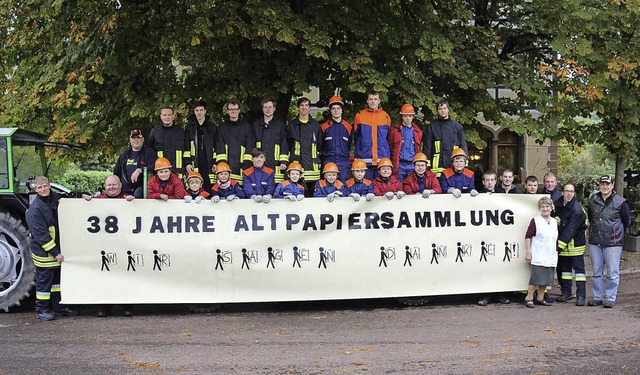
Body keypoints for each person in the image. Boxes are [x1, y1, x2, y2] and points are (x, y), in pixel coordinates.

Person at [25, 176, 78, 320]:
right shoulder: (35, 210)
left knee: (56, 283)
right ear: (35, 189)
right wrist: (55, 253)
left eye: (44, 186)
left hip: (57, 249)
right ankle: (41, 310)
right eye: (39, 188)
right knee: (44, 283)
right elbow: (41, 236)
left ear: (49, 186)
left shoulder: (55, 198)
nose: (42, 189)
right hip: (45, 253)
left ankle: (59, 306)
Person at [84, 175, 135, 317]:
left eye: (114, 184)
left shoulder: (127, 199)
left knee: (125, 277)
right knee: (104, 278)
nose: (111, 187)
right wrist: (86, 203)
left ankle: (127, 306)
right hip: (104, 248)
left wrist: (134, 203)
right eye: (109, 185)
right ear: (105, 187)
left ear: (120, 185)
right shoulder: (98, 200)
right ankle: (104, 307)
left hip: (123, 246)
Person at [587, 175, 631, 308]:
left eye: (607, 184)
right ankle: (597, 297)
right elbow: (591, 218)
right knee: (596, 271)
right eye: (602, 184)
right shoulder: (592, 201)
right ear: (599, 185)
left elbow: (626, 221)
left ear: (612, 185)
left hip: (613, 242)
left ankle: (610, 298)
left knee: (612, 272)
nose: (605, 187)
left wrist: (616, 233)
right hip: (596, 241)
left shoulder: (620, 202)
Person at [554, 183, 588, 306]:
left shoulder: (577, 209)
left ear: (574, 193)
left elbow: (570, 230)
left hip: (575, 245)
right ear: (562, 192)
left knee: (579, 273)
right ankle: (566, 293)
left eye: (571, 191)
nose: (569, 194)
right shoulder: (557, 205)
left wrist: (558, 247)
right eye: (567, 191)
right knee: (565, 271)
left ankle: (581, 296)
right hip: (563, 246)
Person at [524, 196, 558, 308]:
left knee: (546, 279)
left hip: (550, 254)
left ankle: (540, 297)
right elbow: (528, 236)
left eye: (547, 206)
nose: (545, 209)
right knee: (536, 278)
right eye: (542, 206)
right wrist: (528, 252)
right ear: (539, 208)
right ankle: (529, 297)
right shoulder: (535, 221)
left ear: (551, 208)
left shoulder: (554, 222)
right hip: (538, 253)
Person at [422, 100, 468, 177]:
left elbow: (463, 146)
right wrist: (427, 166)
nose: (442, 111)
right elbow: (427, 148)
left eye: (444, 108)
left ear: (448, 110)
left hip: (454, 167)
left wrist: (465, 163)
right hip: (437, 169)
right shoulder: (432, 127)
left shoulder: (457, 127)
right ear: (437, 111)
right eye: (440, 109)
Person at [287, 97, 323, 195]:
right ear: (298, 107)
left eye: (306, 105)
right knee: (295, 193)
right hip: (296, 165)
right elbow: (288, 144)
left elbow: (320, 145)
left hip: (312, 166)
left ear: (309, 108)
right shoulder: (292, 125)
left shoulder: (316, 125)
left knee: (313, 195)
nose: (304, 108)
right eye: (302, 105)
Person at [249, 98, 289, 184]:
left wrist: (283, 161)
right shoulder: (255, 125)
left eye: (270, 107)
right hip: (259, 164)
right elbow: (251, 144)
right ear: (262, 109)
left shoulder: (280, 126)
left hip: (275, 165)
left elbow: (284, 144)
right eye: (265, 107)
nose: (268, 109)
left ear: (274, 109)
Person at [353, 91, 391, 180]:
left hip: (381, 159)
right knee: (365, 188)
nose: (373, 102)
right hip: (364, 159)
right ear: (367, 101)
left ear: (379, 101)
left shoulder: (385, 116)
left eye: (375, 99)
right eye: (371, 99)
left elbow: (388, 137)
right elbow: (357, 136)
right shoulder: (359, 115)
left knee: (380, 190)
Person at [215, 100, 253, 185]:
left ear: (239, 110)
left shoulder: (246, 126)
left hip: (242, 167)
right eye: (231, 109)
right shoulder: (222, 128)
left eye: (235, 109)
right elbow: (220, 147)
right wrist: (222, 165)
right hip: (227, 168)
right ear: (227, 111)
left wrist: (246, 164)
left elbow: (250, 145)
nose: (233, 111)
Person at [113, 129, 158, 198]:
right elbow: (116, 172)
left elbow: (154, 167)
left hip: (142, 188)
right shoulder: (124, 155)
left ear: (142, 139)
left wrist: (140, 170)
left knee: (138, 193)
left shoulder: (149, 153)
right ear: (130, 140)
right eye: (133, 138)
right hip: (125, 190)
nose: (136, 140)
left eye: (138, 138)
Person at [183, 101, 217, 192]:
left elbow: (216, 146)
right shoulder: (189, 127)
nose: (199, 112)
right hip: (195, 162)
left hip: (208, 161)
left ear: (205, 111)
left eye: (201, 110)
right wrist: (187, 163)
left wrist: (215, 162)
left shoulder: (212, 127)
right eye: (197, 110)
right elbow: (186, 147)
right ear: (194, 112)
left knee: (210, 185)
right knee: (195, 185)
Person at [320, 96, 352, 182]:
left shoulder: (348, 127)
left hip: (343, 162)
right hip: (328, 160)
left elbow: (348, 145)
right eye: (333, 108)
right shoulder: (324, 127)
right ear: (330, 111)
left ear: (342, 110)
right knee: (328, 187)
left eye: (338, 108)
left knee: (344, 186)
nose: (336, 110)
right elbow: (321, 145)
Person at [147, 106, 185, 177]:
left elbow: (186, 150)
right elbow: (150, 152)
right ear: (161, 116)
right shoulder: (155, 132)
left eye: (169, 115)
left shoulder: (181, 131)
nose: (167, 117)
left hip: (178, 171)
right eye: (164, 115)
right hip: (161, 171)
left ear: (173, 116)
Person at [388, 104, 423, 181]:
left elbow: (418, 148)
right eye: (405, 116)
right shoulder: (394, 131)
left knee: (412, 187)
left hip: (412, 164)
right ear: (402, 116)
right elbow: (390, 147)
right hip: (399, 164)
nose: (408, 118)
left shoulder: (418, 132)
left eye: (410, 116)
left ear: (413, 117)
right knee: (398, 187)